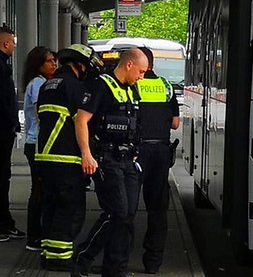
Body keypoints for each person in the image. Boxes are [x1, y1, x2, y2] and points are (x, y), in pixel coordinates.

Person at [73, 48, 147, 277]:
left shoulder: (131, 90)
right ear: (129, 65)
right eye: (141, 71)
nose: (142, 76)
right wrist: (86, 154)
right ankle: (82, 259)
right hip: (107, 158)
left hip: (128, 160)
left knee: (127, 217)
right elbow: (81, 120)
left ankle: (116, 270)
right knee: (117, 212)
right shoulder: (100, 86)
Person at [35, 44, 102, 272]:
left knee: (50, 206)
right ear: (80, 65)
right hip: (66, 158)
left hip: (44, 156)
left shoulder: (47, 85)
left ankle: (48, 254)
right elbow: (80, 122)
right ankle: (61, 258)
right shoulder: (75, 87)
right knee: (70, 209)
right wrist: (87, 153)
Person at [134, 47, 180, 274]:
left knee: (126, 207)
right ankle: (152, 262)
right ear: (153, 63)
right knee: (158, 210)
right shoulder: (166, 87)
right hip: (160, 151)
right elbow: (175, 124)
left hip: (135, 151)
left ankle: (119, 258)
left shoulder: (131, 85)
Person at [21, 46, 56, 251]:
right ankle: (34, 236)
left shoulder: (42, 82)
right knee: (39, 189)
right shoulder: (38, 84)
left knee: (40, 188)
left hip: (38, 143)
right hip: (36, 143)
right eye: (49, 61)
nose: (54, 64)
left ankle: (37, 234)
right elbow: (41, 113)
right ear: (38, 65)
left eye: (55, 60)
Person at [0, 25, 21, 243]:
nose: (15, 46)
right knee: (2, 177)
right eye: (13, 42)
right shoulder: (2, 68)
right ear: (6, 43)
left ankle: (5, 223)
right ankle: (3, 224)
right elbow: (4, 101)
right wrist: (12, 124)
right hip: (2, 131)